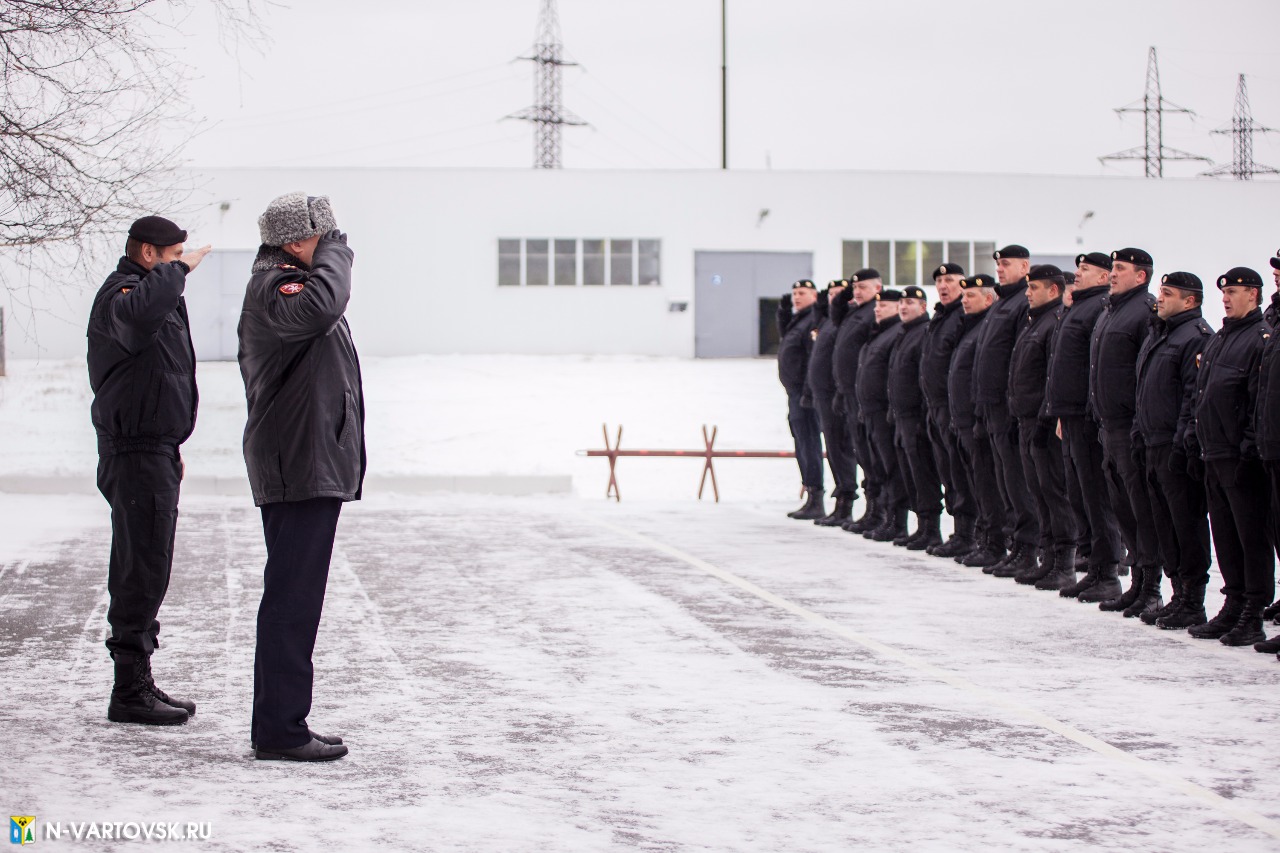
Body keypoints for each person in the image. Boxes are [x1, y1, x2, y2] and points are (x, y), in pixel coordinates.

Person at [239, 192, 364, 761]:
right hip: (297, 463)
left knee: (295, 598)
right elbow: (321, 308)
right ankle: (280, 731)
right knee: (291, 600)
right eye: (324, 236)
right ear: (295, 241)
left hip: (306, 460)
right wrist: (337, 254)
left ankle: (283, 723)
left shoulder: (287, 286)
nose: (334, 244)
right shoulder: (278, 289)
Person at [87, 215, 210, 726]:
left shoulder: (146, 291)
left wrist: (168, 440)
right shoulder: (124, 295)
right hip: (134, 452)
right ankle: (129, 690)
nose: (181, 265)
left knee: (148, 566)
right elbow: (139, 321)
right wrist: (177, 271)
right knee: (140, 570)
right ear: (147, 254)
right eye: (172, 256)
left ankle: (137, 682)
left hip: (150, 448)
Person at [1188, 267, 1273, 647]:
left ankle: (1253, 612)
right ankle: (1234, 603)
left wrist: (1247, 449)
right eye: (1225, 292)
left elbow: (1256, 400)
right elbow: (1203, 394)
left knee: (1250, 538)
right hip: (1213, 452)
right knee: (1225, 535)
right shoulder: (1223, 336)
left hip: (1239, 456)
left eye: (1235, 291)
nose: (1226, 297)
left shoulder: (1258, 337)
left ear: (1254, 295)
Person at [1132, 272, 1213, 630]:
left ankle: (1193, 600)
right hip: (1152, 443)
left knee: (1186, 524)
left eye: (1167, 293)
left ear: (1189, 301)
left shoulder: (1193, 337)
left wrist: (1183, 444)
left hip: (1174, 447)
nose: (1159, 298)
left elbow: (1192, 398)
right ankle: (1178, 593)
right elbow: (1146, 390)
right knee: (1165, 524)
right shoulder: (1160, 334)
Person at [1090, 248, 1162, 618]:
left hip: (1130, 427)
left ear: (1141, 276)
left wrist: (1137, 424)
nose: (1113, 274)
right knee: (1122, 507)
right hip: (1108, 426)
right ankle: (1137, 582)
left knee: (1141, 508)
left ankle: (1151, 586)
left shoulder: (1144, 311)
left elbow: (1144, 371)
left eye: (1120, 269)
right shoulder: (1110, 310)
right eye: (1113, 268)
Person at [1047, 252, 1124, 602]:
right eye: (1078, 269)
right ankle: (1094, 566)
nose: (1077, 275)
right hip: (1070, 414)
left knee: (1096, 496)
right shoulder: (1080, 306)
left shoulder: (1098, 308)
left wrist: (1086, 412)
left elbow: (1095, 367)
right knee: (1080, 495)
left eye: (1085, 270)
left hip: (1086, 415)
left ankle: (1107, 572)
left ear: (1105, 276)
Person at [1006, 265, 1076, 589]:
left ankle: (1064, 563)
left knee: (1054, 494)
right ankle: (1048, 559)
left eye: (1033, 287)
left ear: (1053, 291)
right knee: (1039, 495)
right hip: (1027, 421)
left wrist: (1047, 420)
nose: (1027, 292)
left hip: (1043, 424)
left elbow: (1053, 377)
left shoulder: (1055, 324)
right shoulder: (1035, 324)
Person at [974, 245, 1039, 577]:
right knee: (1004, 481)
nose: (999, 268)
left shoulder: (1020, 304)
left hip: (1007, 407)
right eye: (998, 263)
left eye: (1007, 264)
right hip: (992, 408)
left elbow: (1018, 358)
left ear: (1025, 266)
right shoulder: (1003, 302)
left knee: (1017, 481)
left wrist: (1011, 403)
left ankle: (1026, 549)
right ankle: (1015, 546)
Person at [948, 275, 1004, 567]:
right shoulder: (969, 327)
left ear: (988, 298)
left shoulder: (985, 327)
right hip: (962, 419)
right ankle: (982, 538)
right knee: (973, 481)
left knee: (986, 482)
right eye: (964, 296)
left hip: (976, 418)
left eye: (971, 296)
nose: (964, 300)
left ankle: (992, 542)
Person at [920, 263, 975, 558]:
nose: (943, 285)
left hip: (953, 407)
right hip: (936, 407)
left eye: (950, 280)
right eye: (940, 281)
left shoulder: (961, 316)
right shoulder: (940, 317)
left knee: (960, 472)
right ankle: (959, 531)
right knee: (948, 471)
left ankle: (968, 534)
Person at [888, 285, 942, 550]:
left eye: (910, 302)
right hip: (901, 417)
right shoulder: (904, 333)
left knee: (923, 473)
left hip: (915, 417)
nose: (904, 306)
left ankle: (931, 528)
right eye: (901, 302)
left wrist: (922, 417)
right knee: (911, 474)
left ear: (923, 307)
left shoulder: (922, 332)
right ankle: (922, 526)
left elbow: (923, 378)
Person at [832, 269, 883, 533]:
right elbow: (835, 318)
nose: (857, 291)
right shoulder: (855, 312)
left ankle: (880, 510)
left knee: (873, 455)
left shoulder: (875, 312)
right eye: (855, 287)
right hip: (850, 394)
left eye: (863, 287)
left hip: (864, 396)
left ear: (877, 288)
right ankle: (872, 509)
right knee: (862, 453)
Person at [856, 290, 908, 541]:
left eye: (884, 306)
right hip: (871, 411)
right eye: (877, 306)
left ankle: (896, 520)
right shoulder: (878, 335)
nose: (877, 310)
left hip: (885, 412)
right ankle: (883, 515)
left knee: (892, 468)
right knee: (877, 465)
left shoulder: (896, 333)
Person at [807, 280, 857, 526]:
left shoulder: (845, 322)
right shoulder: (828, 321)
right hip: (824, 395)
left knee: (842, 449)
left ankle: (846, 503)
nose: (834, 298)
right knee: (834, 451)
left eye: (840, 294)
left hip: (836, 396)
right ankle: (840, 501)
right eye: (831, 294)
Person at [777, 279, 825, 520]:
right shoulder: (799, 320)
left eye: (802, 293)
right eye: (794, 292)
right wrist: (783, 312)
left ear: (814, 296)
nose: (796, 297)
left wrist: (808, 392)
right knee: (801, 444)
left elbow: (811, 360)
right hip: (794, 394)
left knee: (809, 444)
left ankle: (816, 498)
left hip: (804, 396)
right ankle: (810, 493)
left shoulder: (811, 322)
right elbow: (787, 338)